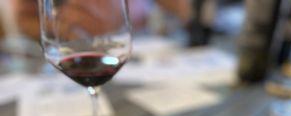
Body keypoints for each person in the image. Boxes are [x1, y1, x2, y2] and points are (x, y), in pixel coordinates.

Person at [11, 0, 192, 41]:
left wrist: (189, 10)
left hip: (139, 51)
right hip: (75, 54)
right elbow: (24, 20)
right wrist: (64, 29)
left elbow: (182, 8)